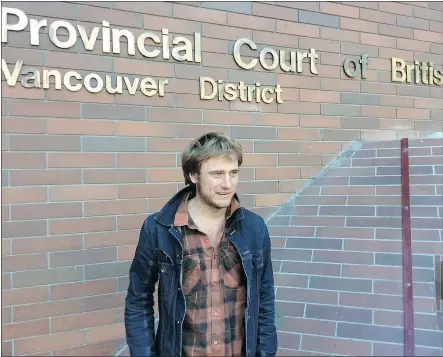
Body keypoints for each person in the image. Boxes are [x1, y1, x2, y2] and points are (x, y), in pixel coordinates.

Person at [125, 132, 277, 357]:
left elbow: (264, 301)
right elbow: (138, 301)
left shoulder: (254, 228)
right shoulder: (160, 229)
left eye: (233, 173)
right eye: (217, 174)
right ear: (194, 174)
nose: (227, 184)